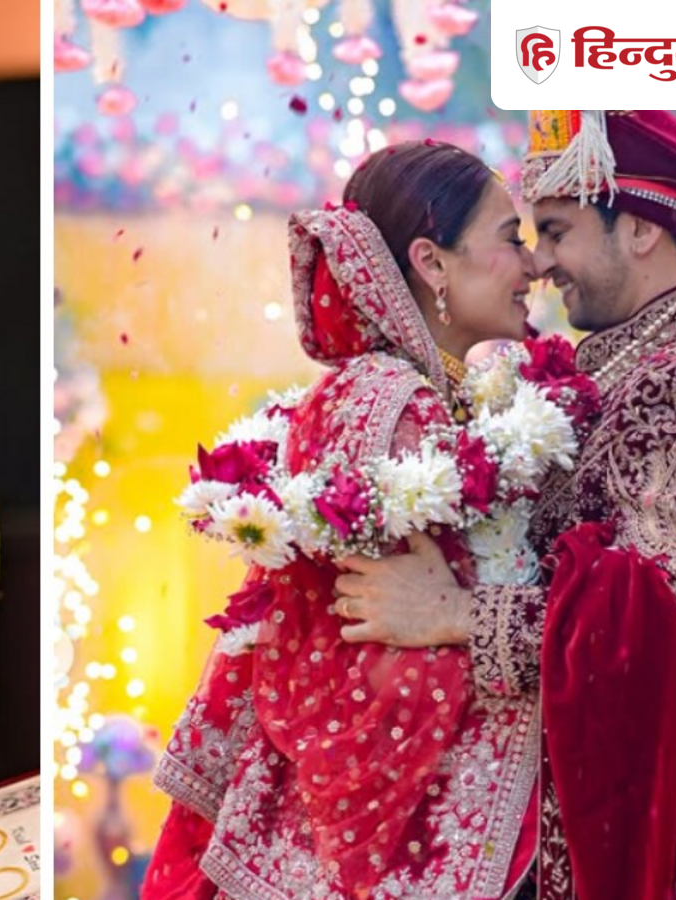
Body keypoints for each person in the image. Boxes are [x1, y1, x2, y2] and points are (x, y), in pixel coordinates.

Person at [331, 111, 676, 900]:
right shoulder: (627, 360)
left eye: (558, 232)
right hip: (570, 799)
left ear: (639, 228)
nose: (540, 263)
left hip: (639, 815)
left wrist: (456, 613)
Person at [142, 140, 548, 900]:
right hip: (377, 833)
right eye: (511, 238)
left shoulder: (409, 391)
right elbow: (382, 647)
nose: (533, 266)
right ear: (431, 263)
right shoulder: (389, 402)